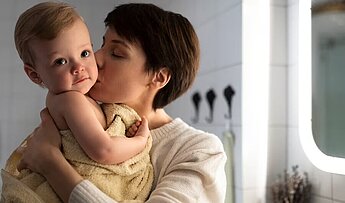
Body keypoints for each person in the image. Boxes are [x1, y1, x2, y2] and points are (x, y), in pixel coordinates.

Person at [16, 3, 227, 203]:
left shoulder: (199, 151)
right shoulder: (83, 116)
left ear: (159, 77)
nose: (95, 59)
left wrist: (51, 165)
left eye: (116, 53)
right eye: (100, 45)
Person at [1, 2, 153, 203]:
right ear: (35, 74)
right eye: (60, 61)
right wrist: (139, 141)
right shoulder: (71, 100)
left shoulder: (76, 97)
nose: (79, 67)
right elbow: (103, 150)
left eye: (84, 53)